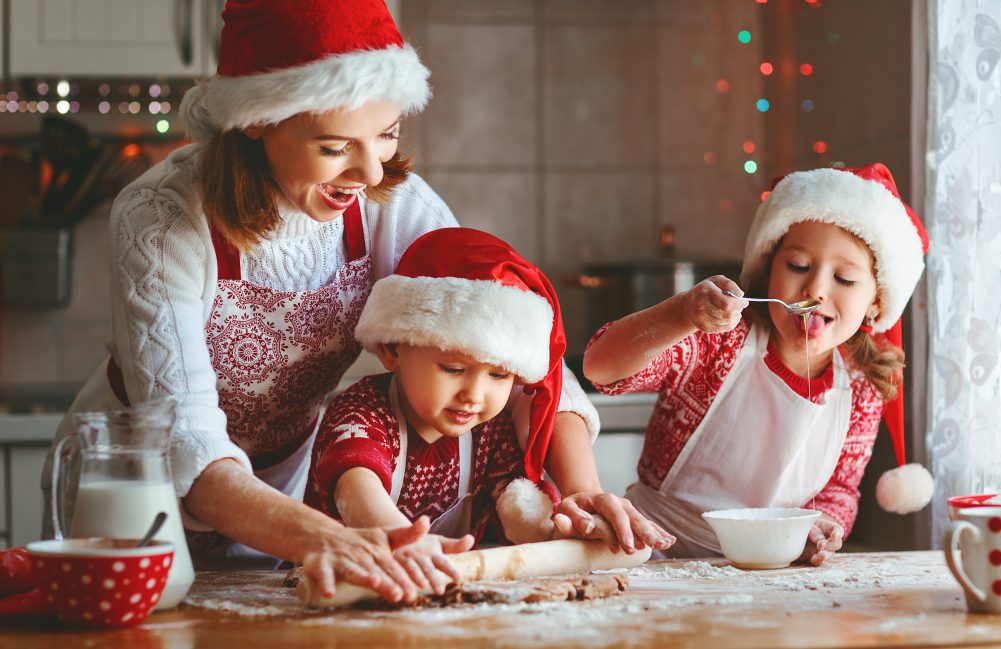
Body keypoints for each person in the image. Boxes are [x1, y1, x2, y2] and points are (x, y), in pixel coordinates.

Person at [41, 0, 668, 604]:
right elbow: (188, 441)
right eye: (335, 147)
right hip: (136, 492)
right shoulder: (162, 220)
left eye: (387, 135)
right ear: (258, 120)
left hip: (288, 489)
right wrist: (342, 539)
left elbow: (510, 341)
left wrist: (581, 489)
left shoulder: (393, 204)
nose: (370, 172)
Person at [583, 163, 935, 565]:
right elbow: (600, 367)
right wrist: (681, 314)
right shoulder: (719, 341)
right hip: (655, 556)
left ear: (876, 301)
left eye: (845, 279)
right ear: (769, 270)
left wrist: (819, 528)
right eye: (799, 266)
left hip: (768, 572)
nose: (816, 289)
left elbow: (839, 488)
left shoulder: (860, 384)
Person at [305, 228, 626, 594]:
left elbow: (517, 505)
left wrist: (563, 531)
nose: (475, 395)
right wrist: (400, 540)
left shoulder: (488, 431)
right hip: (336, 588)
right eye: (453, 369)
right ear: (393, 350)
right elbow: (356, 488)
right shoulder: (363, 412)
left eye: (498, 375)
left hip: (433, 597)